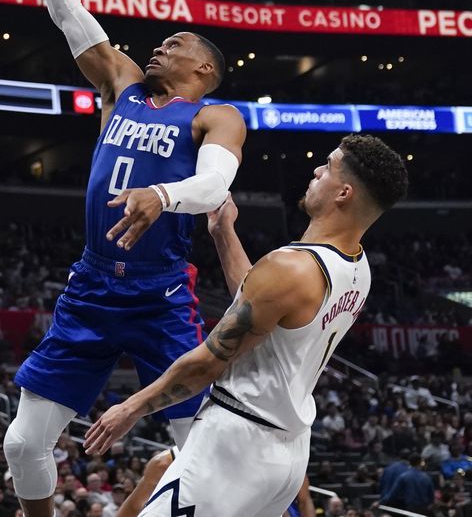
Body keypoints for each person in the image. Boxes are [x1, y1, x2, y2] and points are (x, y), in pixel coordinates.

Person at [3, 0, 246, 517]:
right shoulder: (123, 86)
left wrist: (160, 196)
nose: (163, 42)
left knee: (200, 452)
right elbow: (67, 13)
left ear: (205, 70)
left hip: (160, 292)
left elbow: (216, 185)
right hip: (90, 286)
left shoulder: (216, 116)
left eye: (180, 42)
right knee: (22, 442)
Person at [84, 135, 408, 516]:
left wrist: (132, 408)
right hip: (287, 456)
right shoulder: (358, 268)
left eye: (328, 167)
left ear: (343, 193)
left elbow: (208, 362)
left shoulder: (291, 267)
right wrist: (223, 232)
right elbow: (260, 304)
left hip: (236, 442)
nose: (317, 171)